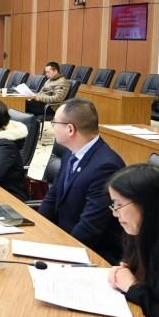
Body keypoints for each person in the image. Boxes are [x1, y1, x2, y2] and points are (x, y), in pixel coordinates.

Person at [38, 98, 124, 263]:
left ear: (70, 129)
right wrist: (39, 229)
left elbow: (90, 227)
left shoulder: (106, 167)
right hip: (62, 239)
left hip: (92, 254)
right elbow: (53, 195)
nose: (52, 126)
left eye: (54, 122)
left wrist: (61, 256)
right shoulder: (70, 152)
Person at [107, 164, 159, 317]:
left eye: (119, 205)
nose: (115, 213)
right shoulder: (142, 233)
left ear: (147, 204)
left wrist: (133, 288)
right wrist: (127, 274)